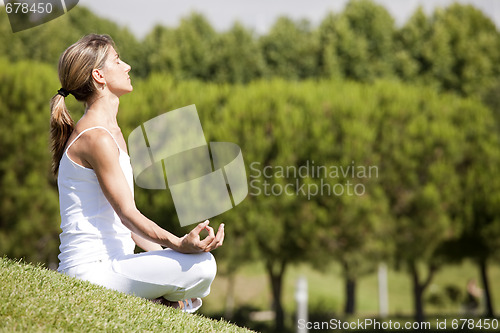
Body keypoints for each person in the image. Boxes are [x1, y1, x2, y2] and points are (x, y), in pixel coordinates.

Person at [50, 34, 224, 312]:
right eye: (118, 61)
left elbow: (126, 227)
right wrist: (177, 243)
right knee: (203, 266)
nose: (127, 66)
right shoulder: (97, 139)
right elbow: (128, 214)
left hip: (117, 265)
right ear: (99, 76)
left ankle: (162, 299)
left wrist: (175, 253)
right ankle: (163, 300)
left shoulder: (112, 134)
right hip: (90, 273)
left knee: (201, 263)